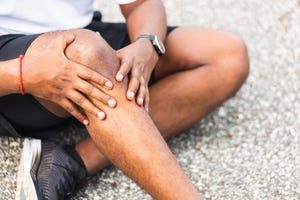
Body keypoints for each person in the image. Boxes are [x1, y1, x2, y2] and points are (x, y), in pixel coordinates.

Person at [0, 0, 249, 199]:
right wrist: (23, 74)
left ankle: (71, 162)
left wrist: (147, 46)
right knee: (85, 52)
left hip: (81, 40)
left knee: (227, 56)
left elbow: (142, 4)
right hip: (10, 73)